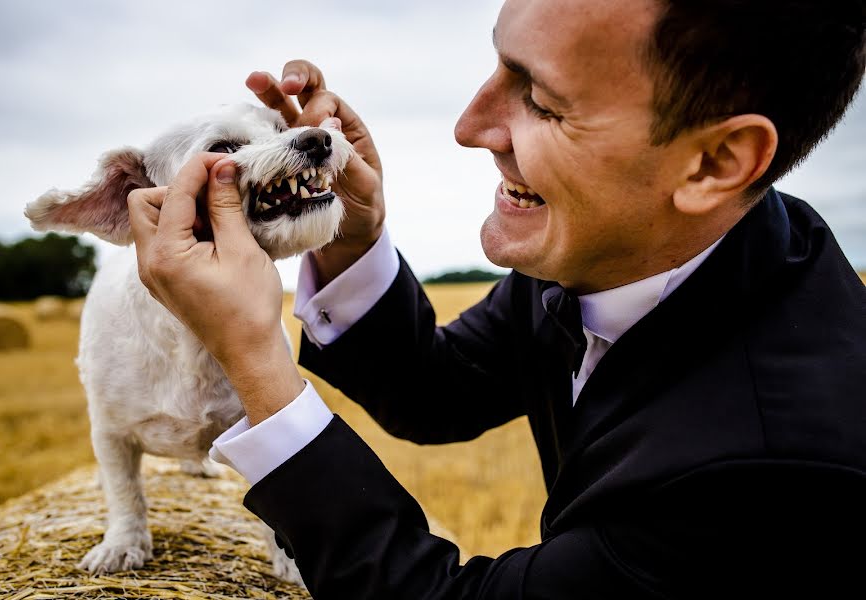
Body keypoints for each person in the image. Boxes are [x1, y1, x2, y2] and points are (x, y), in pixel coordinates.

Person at [127, 0, 866, 597]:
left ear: (715, 162)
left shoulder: (777, 474)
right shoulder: (635, 247)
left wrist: (256, 359)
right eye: (497, 66)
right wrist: (352, 235)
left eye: (541, 101)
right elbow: (436, 393)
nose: (469, 127)